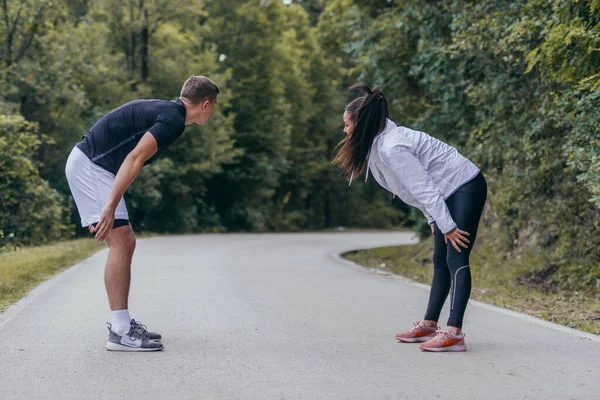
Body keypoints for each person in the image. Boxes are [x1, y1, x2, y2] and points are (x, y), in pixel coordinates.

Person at [65, 76, 219, 351]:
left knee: (125, 241)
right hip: (92, 167)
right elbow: (135, 158)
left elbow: (132, 158)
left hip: (95, 167)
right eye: (214, 106)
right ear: (206, 104)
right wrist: (109, 206)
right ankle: (121, 333)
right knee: (122, 242)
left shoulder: (169, 112)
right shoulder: (172, 120)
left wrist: (109, 202)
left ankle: (122, 325)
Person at [333, 84, 487, 352]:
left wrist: (447, 225)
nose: (345, 131)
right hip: (445, 192)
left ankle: (454, 332)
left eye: (347, 125)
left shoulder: (393, 147)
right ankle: (429, 325)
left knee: (455, 256)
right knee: (439, 258)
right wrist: (432, 218)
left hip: (464, 185)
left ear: (361, 124)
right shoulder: (378, 149)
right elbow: (415, 189)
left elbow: (424, 187)